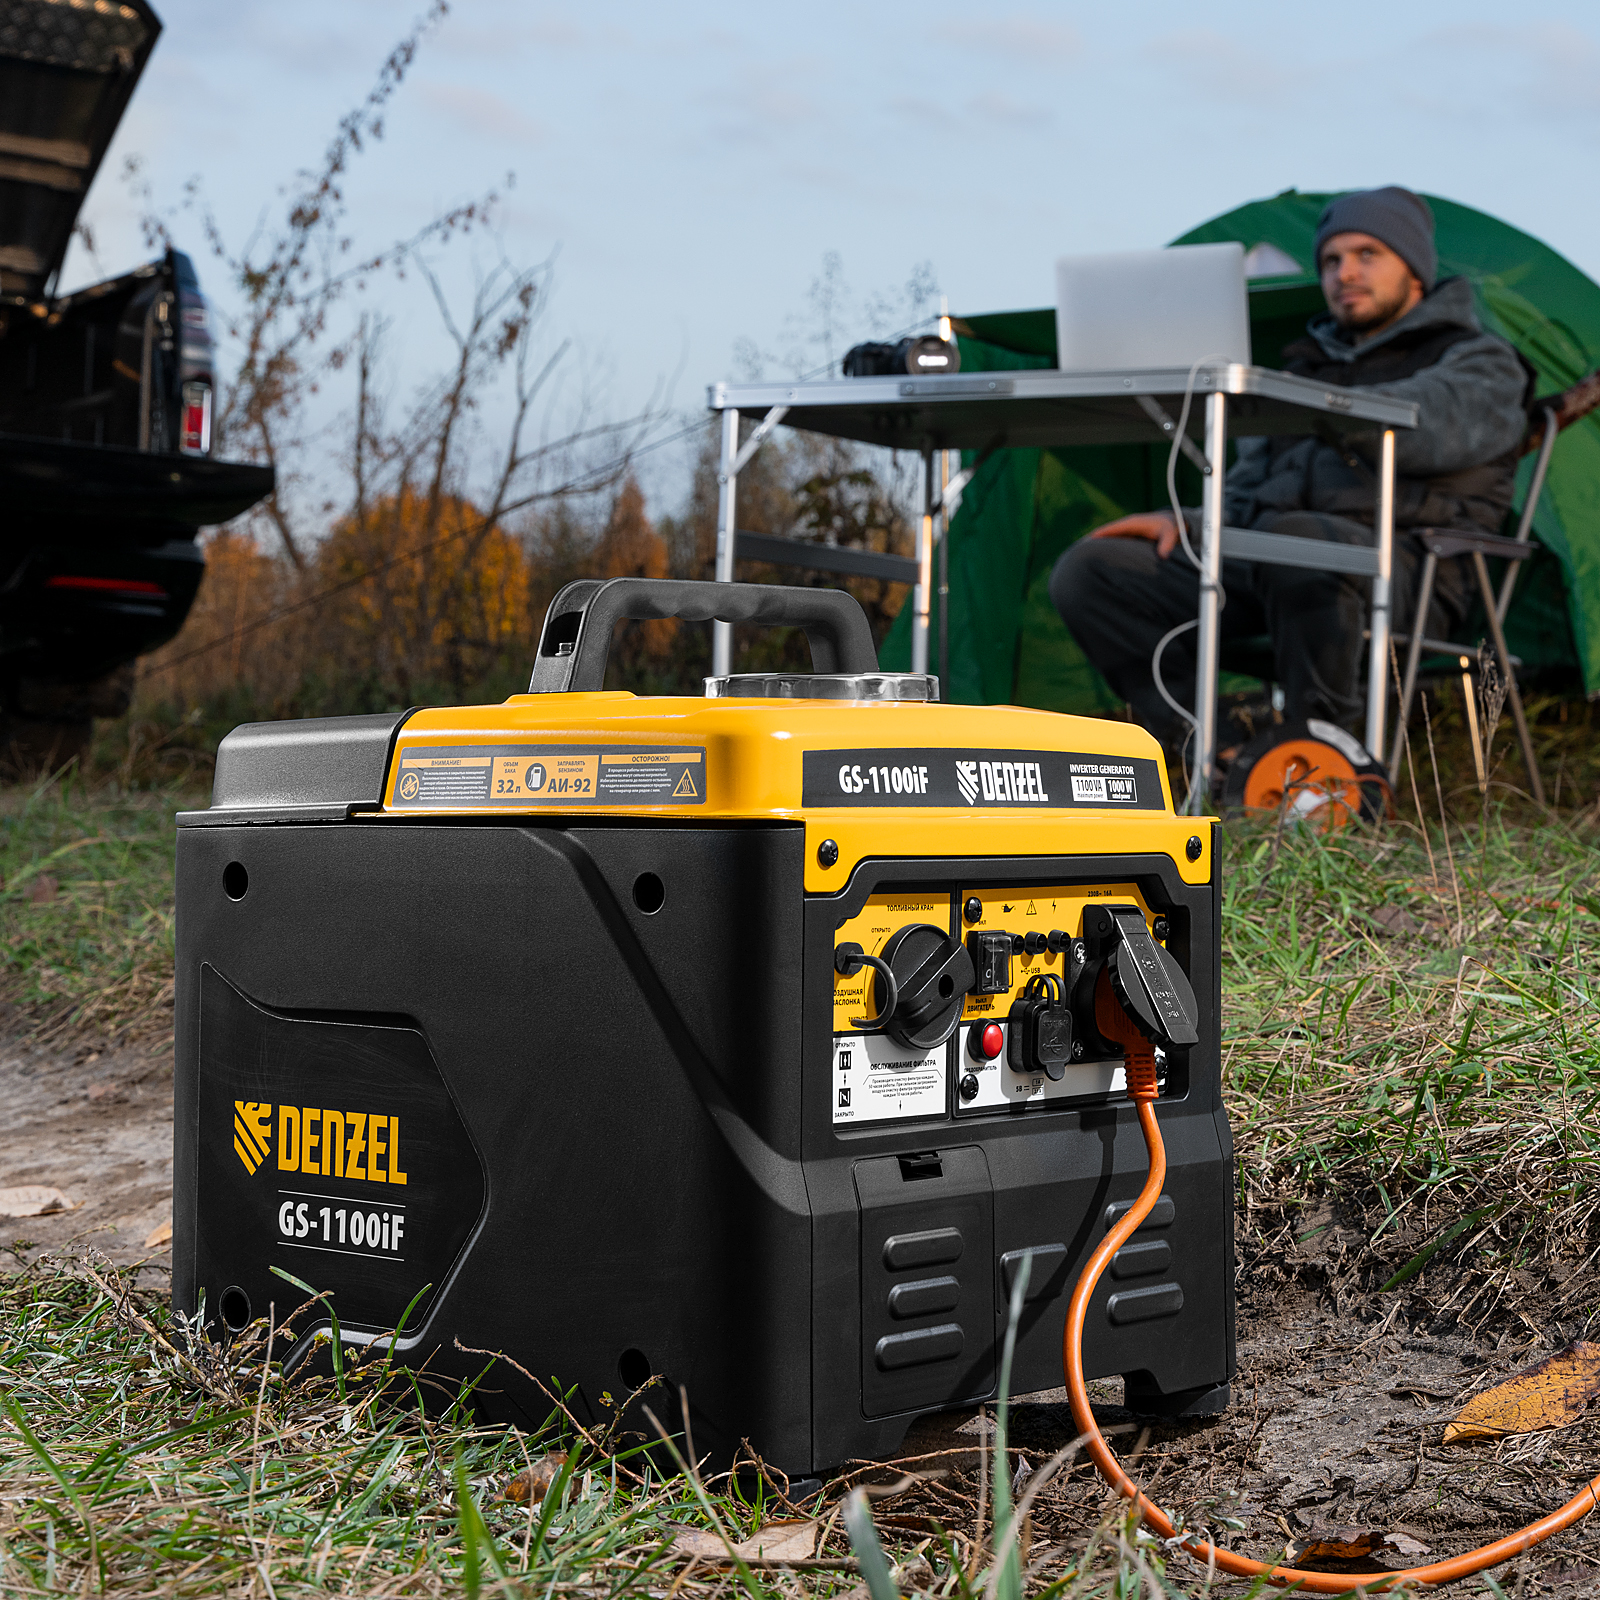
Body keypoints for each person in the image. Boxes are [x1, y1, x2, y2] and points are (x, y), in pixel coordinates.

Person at [1048, 186, 1532, 767]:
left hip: (1407, 572)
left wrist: (1303, 399)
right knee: (1092, 570)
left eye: (1367, 254)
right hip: (1272, 562)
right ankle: (1219, 755)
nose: (1344, 273)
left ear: (1415, 271)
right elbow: (1245, 491)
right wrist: (1190, 521)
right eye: (1331, 260)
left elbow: (1424, 428)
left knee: (1302, 542)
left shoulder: (1480, 360)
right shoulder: (1303, 370)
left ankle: (1321, 766)